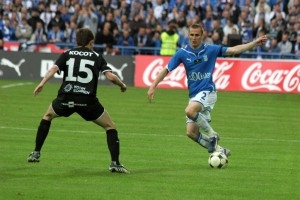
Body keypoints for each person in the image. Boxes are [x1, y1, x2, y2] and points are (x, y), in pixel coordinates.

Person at [147, 23, 268, 158]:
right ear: (188, 35)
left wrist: (254, 43)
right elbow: (166, 69)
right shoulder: (182, 53)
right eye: (191, 35)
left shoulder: (210, 49)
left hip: (208, 91)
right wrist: (153, 86)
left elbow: (234, 50)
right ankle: (221, 151)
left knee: (189, 110)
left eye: (197, 35)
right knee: (191, 133)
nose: (194, 38)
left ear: (202, 35)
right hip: (194, 95)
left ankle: (213, 134)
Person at [27, 28, 129, 174]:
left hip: (66, 98)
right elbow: (111, 77)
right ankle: (115, 163)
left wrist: (42, 83)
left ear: (76, 41)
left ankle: (36, 153)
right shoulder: (96, 56)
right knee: (110, 127)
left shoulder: (67, 54)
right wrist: (122, 85)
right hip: (87, 102)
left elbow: (53, 70)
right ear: (91, 42)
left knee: (48, 116)